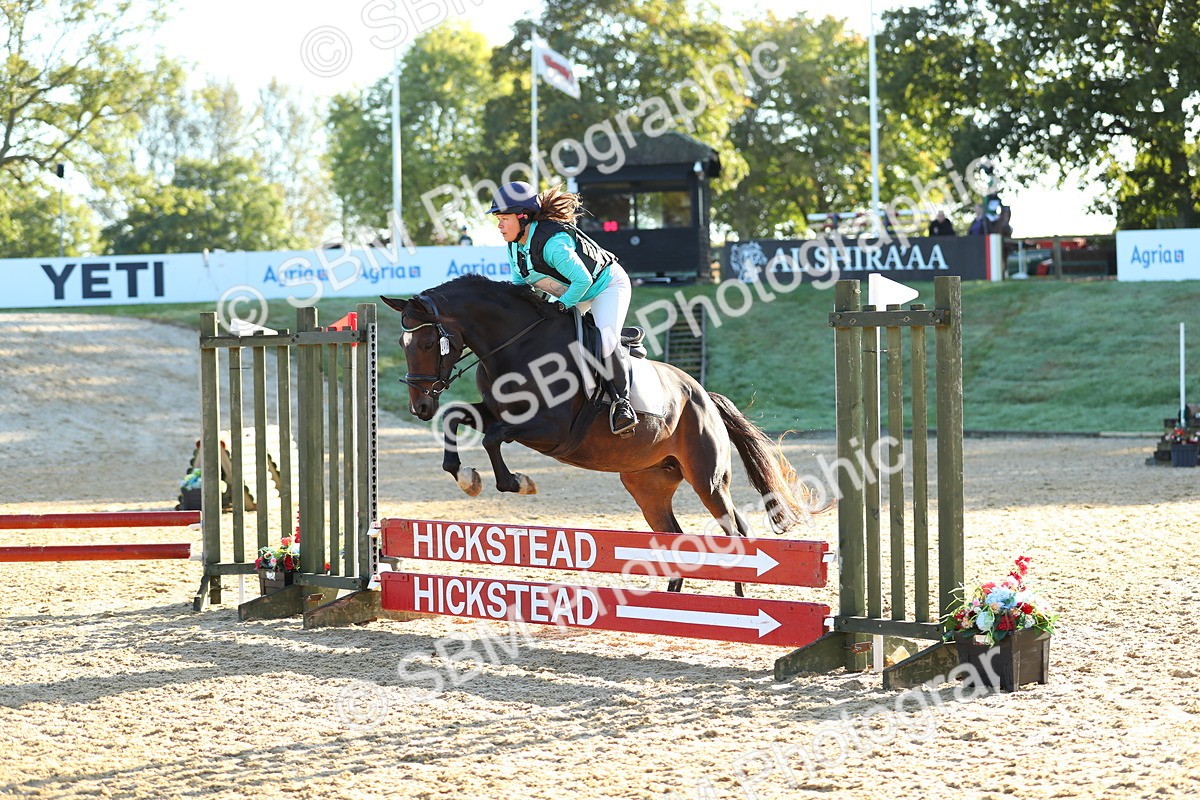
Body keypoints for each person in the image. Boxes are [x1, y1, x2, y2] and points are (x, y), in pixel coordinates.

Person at [488, 180, 638, 435]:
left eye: (504, 218)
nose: (499, 225)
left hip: (605, 286)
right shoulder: (514, 248)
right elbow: (520, 288)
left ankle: (622, 404)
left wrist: (559, 306)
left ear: (523, 218)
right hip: (572, 292)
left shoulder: (553, 244)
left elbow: (583, 280)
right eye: (498, 219)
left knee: (604, 342)